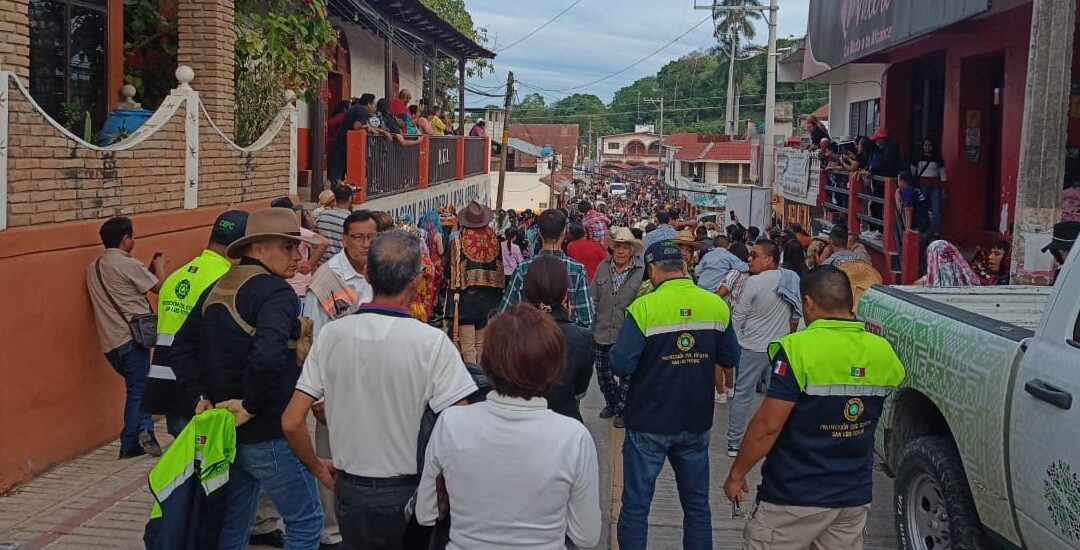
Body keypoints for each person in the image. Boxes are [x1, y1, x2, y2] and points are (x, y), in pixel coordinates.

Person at [282, 230, 478, 550]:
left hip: (349, 490)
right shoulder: (431, 343)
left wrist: (318, 467)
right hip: (408, 491)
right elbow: (461, 426)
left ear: (368, 275)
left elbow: (291, 421)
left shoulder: (332, 336)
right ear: (416, 281)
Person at [172, 207, 324, 550]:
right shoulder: (275, 292)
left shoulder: (218, 286)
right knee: (307, 521)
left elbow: (180, 348)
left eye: (297, 247)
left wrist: (199, 396)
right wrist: (251, 405)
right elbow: (268, 352)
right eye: (287, 247)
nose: (297, 255)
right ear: (256, 248)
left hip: (225, 433)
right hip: (267, 431)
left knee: (234, 523)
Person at [724, 266, 905, 549]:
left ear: (808, 302)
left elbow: (767, 427)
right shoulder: (882, 351)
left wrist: (736, 474)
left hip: (793, 496)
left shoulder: (798, 349)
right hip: (852, 497)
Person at [414, 305, 602, 548]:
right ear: (554, 367)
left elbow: (425, 513)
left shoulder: (451, 423)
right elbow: (586, 535)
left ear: (488, 362)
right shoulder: (574, 437)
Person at [610, 240, 740, 550]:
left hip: (648, 422)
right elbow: (730, 357)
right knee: (696, 508)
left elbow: (621, 362)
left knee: (636, 507)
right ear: (685, 268)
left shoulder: (644, 308)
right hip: (695, 421)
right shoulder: (715, 305)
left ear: (652, 271)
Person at [145, 210, 248, 438]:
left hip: (167, 385)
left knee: (183, 463)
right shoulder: (226, 279)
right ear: (240, 246)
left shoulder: (176, 277)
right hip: (201, 392)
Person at [86, 216, 168, 459]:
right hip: (131, 339)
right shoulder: (127, 264)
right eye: (133, 236)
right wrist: (161, 265)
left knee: (137, 388)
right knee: (139, 390)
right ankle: (132, 441)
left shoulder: (94, 267)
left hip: (109, 343)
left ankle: (143, 431)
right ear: (125, 239)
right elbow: (159, 287)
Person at [727, 239, 803, 457]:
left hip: (752, 347)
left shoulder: (754, 282)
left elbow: (739, 315)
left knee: (743, 395)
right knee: (778, 397)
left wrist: (738, 338)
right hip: (779, 349)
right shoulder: (791, 279)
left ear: (769, 259)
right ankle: (774, 441)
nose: (749, 259)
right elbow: (796, 313)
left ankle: (734, 442)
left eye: (755, 255)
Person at [523, 256, 595, 422]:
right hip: (566, 422)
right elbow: (580, 391)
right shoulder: (582, 338)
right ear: (564, 295)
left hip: (519, 425)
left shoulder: (509, 331)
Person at [590, 227, 645, 427]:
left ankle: (622, 410)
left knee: (627, 376)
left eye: (625, 247)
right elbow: (593, 297)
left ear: (632, 250)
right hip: (602, 330)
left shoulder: (641, 272)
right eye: (618, 247)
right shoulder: (603, 267)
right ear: (613, 248)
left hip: (627, 333)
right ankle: (611, 403)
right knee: (603, 374)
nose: (621, 251)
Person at [501, 209, 594, 327]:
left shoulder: (523, 268)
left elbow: (506, 312)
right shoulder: (577, 269)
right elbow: (586, 319)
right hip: (566, 340)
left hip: (529, 338)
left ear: (539, 232)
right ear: (564, 232)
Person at [447, 201, 505, 363]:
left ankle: (472, 379)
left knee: (467, 345)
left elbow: (449, 271)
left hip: (465, 299)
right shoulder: (494, 240)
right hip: (489, 299)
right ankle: (482, 375)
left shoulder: (458, 241)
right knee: (481, 344)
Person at [305, 209, 377, 333]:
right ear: (344, 240)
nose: (366, 244)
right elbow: (313, 336)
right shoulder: (324, 282)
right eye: (358, 237)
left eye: (372, 237)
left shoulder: (381, 270)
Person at [912, 138, 947, 236]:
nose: (927, 147)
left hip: (935, 186)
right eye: (926, 145)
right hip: (922, 185)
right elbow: (913, 171)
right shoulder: (918, 157)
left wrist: (944, 189)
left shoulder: (937, 158)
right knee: (921, 208)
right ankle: (921, 226)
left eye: (930, 145)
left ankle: (936, 231)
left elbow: (943, 174)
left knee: (936, 210)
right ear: (922, 146)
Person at [316, 184, 354, 264]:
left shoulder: (322, 216)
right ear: (350, 198)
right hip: (341, 266)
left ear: (335, 199)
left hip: (322, 265)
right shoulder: (351, 221)